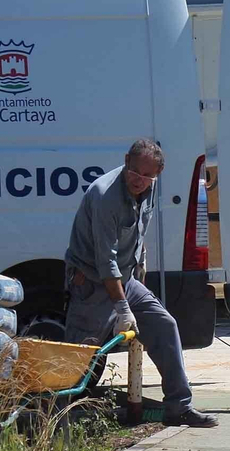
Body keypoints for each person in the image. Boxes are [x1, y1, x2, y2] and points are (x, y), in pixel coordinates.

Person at [62, 137, 217, 428]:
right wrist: (122, 308)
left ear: (158, 173)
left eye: (147, 175)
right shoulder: (105, 196)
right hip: (92, 282)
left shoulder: (149, 185)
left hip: (125, 278)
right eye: (135, 172)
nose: (139, 180)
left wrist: (139, 262)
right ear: (126, 162)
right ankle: (60, 416)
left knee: (165, 326)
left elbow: (138, 228)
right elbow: (105, 260)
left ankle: (179, 407)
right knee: (82, 354)